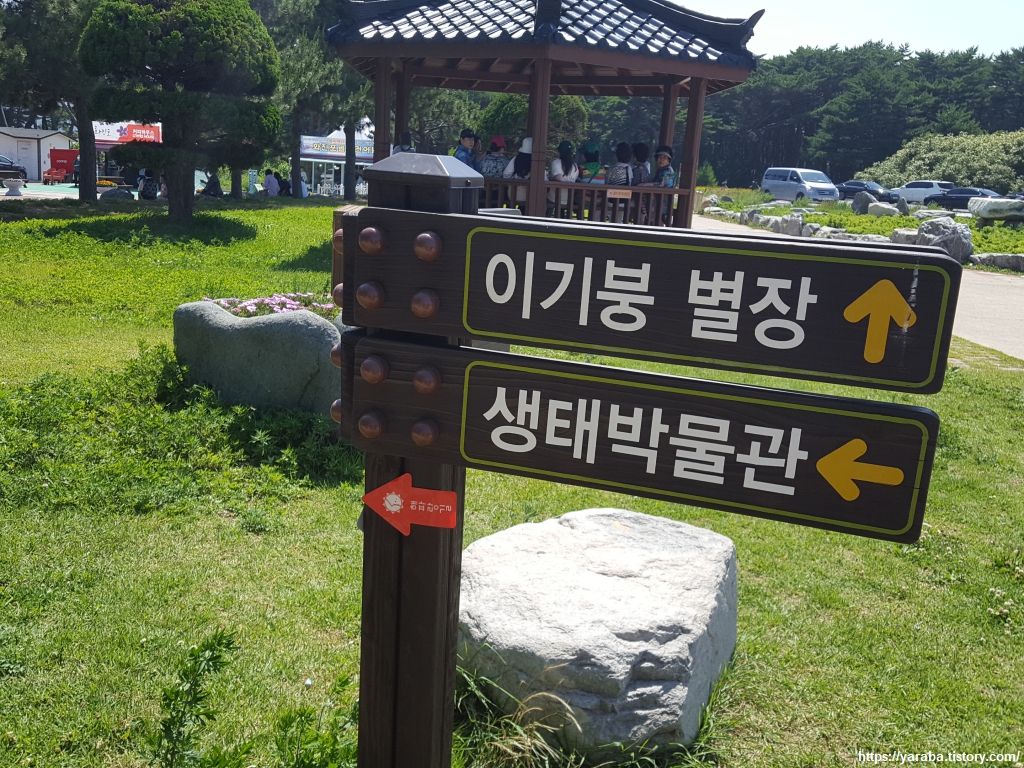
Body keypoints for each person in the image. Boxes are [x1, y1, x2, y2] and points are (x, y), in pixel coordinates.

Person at [548, 140, 579, 210]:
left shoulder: (556, 162)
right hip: (568, 199)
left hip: (554, 198)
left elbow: (560, 178)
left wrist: (551, 178)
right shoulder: (575, 166)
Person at [502, 137, 532, 205]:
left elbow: (506, 175)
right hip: (528, 195)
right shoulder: (536, 162)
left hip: (513, 194)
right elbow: (544, 179)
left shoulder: (515, 159)